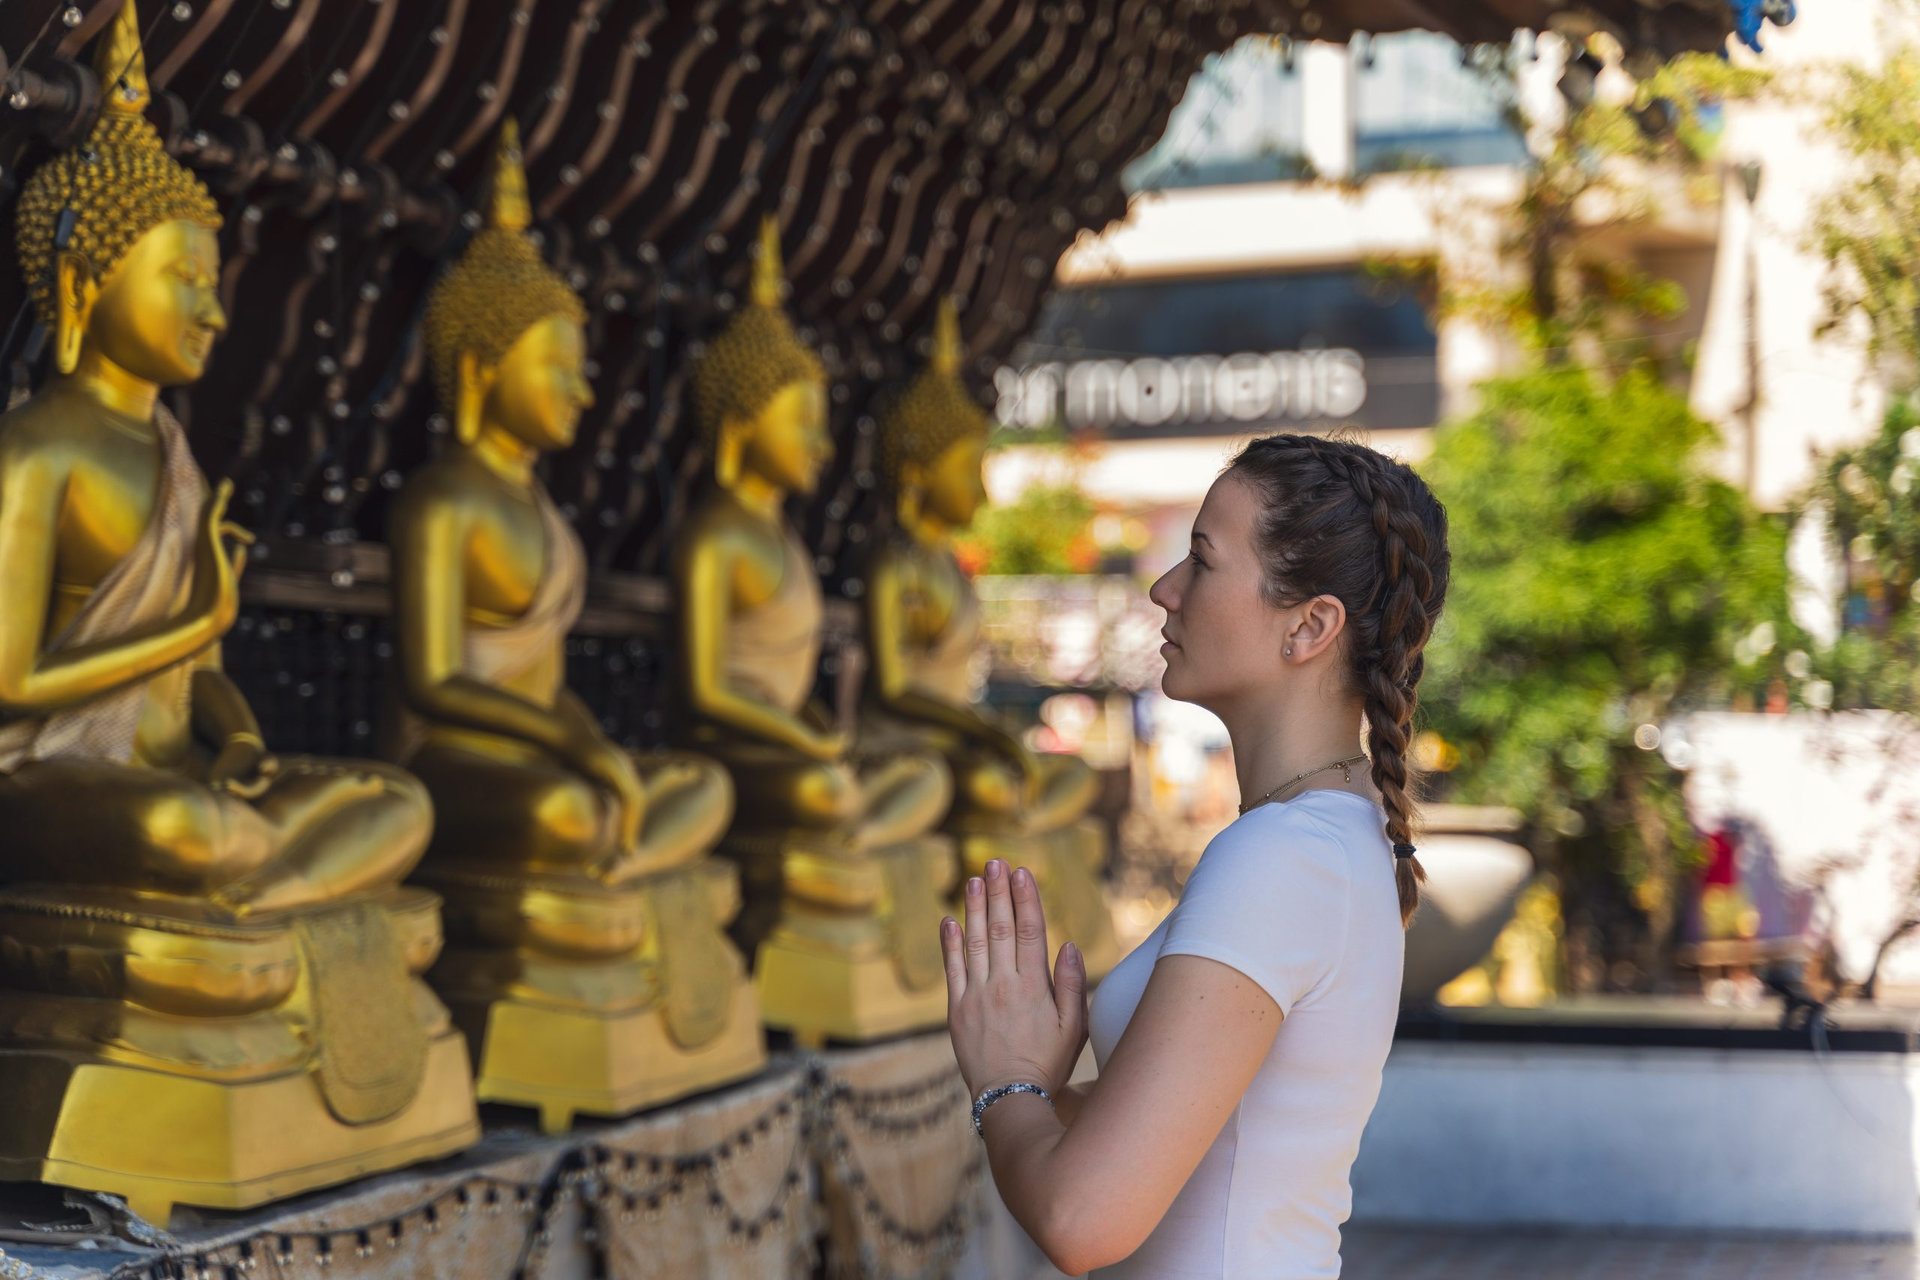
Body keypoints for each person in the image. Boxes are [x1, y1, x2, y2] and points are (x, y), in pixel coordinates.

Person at [941, 433, 1451, 1278]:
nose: (1164, 588)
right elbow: (1208, 1150)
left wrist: (1004, 1086)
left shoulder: (1285, 856)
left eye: (1202, 561)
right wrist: (1047, 1087)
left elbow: (1083, 1218)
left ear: (1311, 624)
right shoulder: (1330, 836)